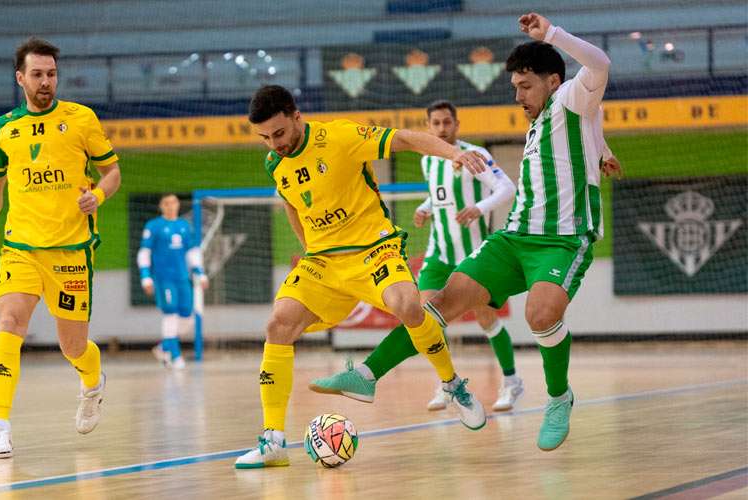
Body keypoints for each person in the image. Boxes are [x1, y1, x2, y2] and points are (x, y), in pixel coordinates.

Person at [309, 12, 613, 452]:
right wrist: (602, 150)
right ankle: (367, 375)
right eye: (514, 88)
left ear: (552, 80)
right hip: (514, 237)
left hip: (563, 239)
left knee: (541, 316)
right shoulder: (541, 123)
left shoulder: (570, 98)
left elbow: (599, 65)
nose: (518, 95)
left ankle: (558, 396)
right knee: (436, 305)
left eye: (524, 85)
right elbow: (582, 137)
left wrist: (551, 34)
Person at [234, 85, 490, 469]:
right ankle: (273, 441)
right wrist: (308, 248)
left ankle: (452, 385)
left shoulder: (339, 136)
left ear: (297, 116)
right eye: (265, 138)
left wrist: (456, 153)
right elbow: (291, 202)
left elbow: (404, 138)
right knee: (278, 325)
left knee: (409, 306)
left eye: (280, 133)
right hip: (323, 260)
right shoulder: (275, 162)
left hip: (374, 248)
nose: (274, 144)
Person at [311, 100, 524, 412]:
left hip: (471, 251)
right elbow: (441, 193)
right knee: (423, 319)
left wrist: (480, 208)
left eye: (446, 123)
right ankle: (447, 383)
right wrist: (426, 208)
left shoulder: (474, 155)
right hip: (439, 252)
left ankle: (511, 381)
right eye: (435, 124)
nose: (441, 128)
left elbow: (506, 188)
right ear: (429, 127)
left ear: (457, 124)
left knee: (485, 317)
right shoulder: (429, 160)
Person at [0, 38, 121, 458]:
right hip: (20, 247)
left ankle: (92, 382)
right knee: (9, 324)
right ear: (20, 77)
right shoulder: (3, 128)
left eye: (52, 74)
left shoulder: (80, 119)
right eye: (37, 74)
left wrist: (99, 194)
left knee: (72, 346)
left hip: (71, 251)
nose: (46, 82)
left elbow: (111, 172)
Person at [137, 193, 208, 370]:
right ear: (161, 206)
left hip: (182, 277)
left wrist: (200, 273)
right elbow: (144, 253)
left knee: (188, 317)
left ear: (178, 205)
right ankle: (174, 355)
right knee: (170, 314)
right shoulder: (154, 226)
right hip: (163, 278)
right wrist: (146, 277)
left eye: (173, 202)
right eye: (166, 203)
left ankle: (164, 347)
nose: (170, 206)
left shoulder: (184, 226)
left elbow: (192, 251)